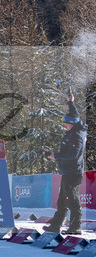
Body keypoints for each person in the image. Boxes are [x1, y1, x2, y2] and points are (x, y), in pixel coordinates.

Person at [46, 91, 88, 235]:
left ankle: (76, 226)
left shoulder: (76, 136)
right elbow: (74, 114)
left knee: (71, 200)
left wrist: (56, 156)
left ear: (72, 124)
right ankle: (56, 225)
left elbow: (73, 155)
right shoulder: (77, 128)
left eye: (66, 124)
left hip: (73, 172)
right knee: (62, 201)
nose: (64, 126)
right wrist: (71, 102)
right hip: (68, 171)